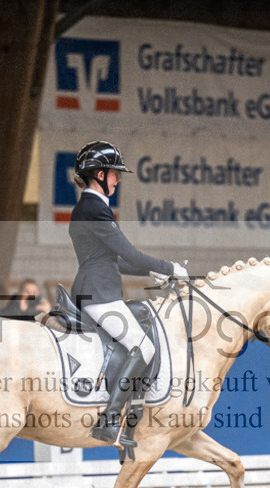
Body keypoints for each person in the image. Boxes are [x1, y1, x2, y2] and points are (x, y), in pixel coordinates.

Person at [68, 140, 188, 446]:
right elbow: (131, 255)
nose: (118, 179)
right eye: (114, 174)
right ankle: (109, 421)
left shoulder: (89, 207)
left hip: (95, 287)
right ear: (97, 174)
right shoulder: (94, 209)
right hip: (99, 295)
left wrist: (155, 272)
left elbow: (115, 262)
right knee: (144, 347)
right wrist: (170, 266)